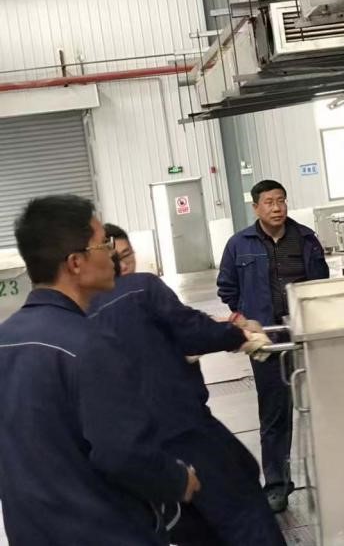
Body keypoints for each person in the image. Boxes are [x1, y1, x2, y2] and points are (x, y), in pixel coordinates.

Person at [0, 195, 200, 546]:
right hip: (104, 532)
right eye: (103, 244)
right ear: (75, 263)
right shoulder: (90, 344)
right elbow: (123, 453)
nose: (112, 254)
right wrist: (178, 480)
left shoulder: (6, 339)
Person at [88, 265, 284, 546]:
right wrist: (238, 335)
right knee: (241, 503)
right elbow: (190, 328)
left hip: (133, 450)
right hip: (181, 425)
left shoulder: (72, 320)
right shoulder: (141, 288)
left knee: (188, 521)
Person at [217, 179, 329, 513]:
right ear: (256, 207)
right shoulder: (239, 244)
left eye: (281, 200)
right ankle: (277, 485)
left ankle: (328, 481)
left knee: (320, 408)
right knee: (274, 414)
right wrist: (249, 317)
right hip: (267, 340)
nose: (277, 207)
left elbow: (320, 283)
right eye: (269, 202)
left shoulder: (306, 239)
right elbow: (227, 287)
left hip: (304, 334)